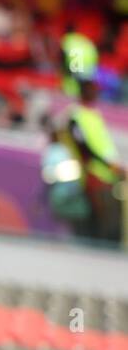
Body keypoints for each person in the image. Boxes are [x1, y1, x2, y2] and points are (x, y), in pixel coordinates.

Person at [61, 78, 125, 244]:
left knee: (112, 221)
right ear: (84, 92)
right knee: (102, 221)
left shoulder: (94, 115)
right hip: (92, 174)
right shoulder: (75, 116)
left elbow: (103, 145)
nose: (96, 93)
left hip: (107, 174)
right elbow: (85, 148)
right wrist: (110, 166)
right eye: (92, 90)